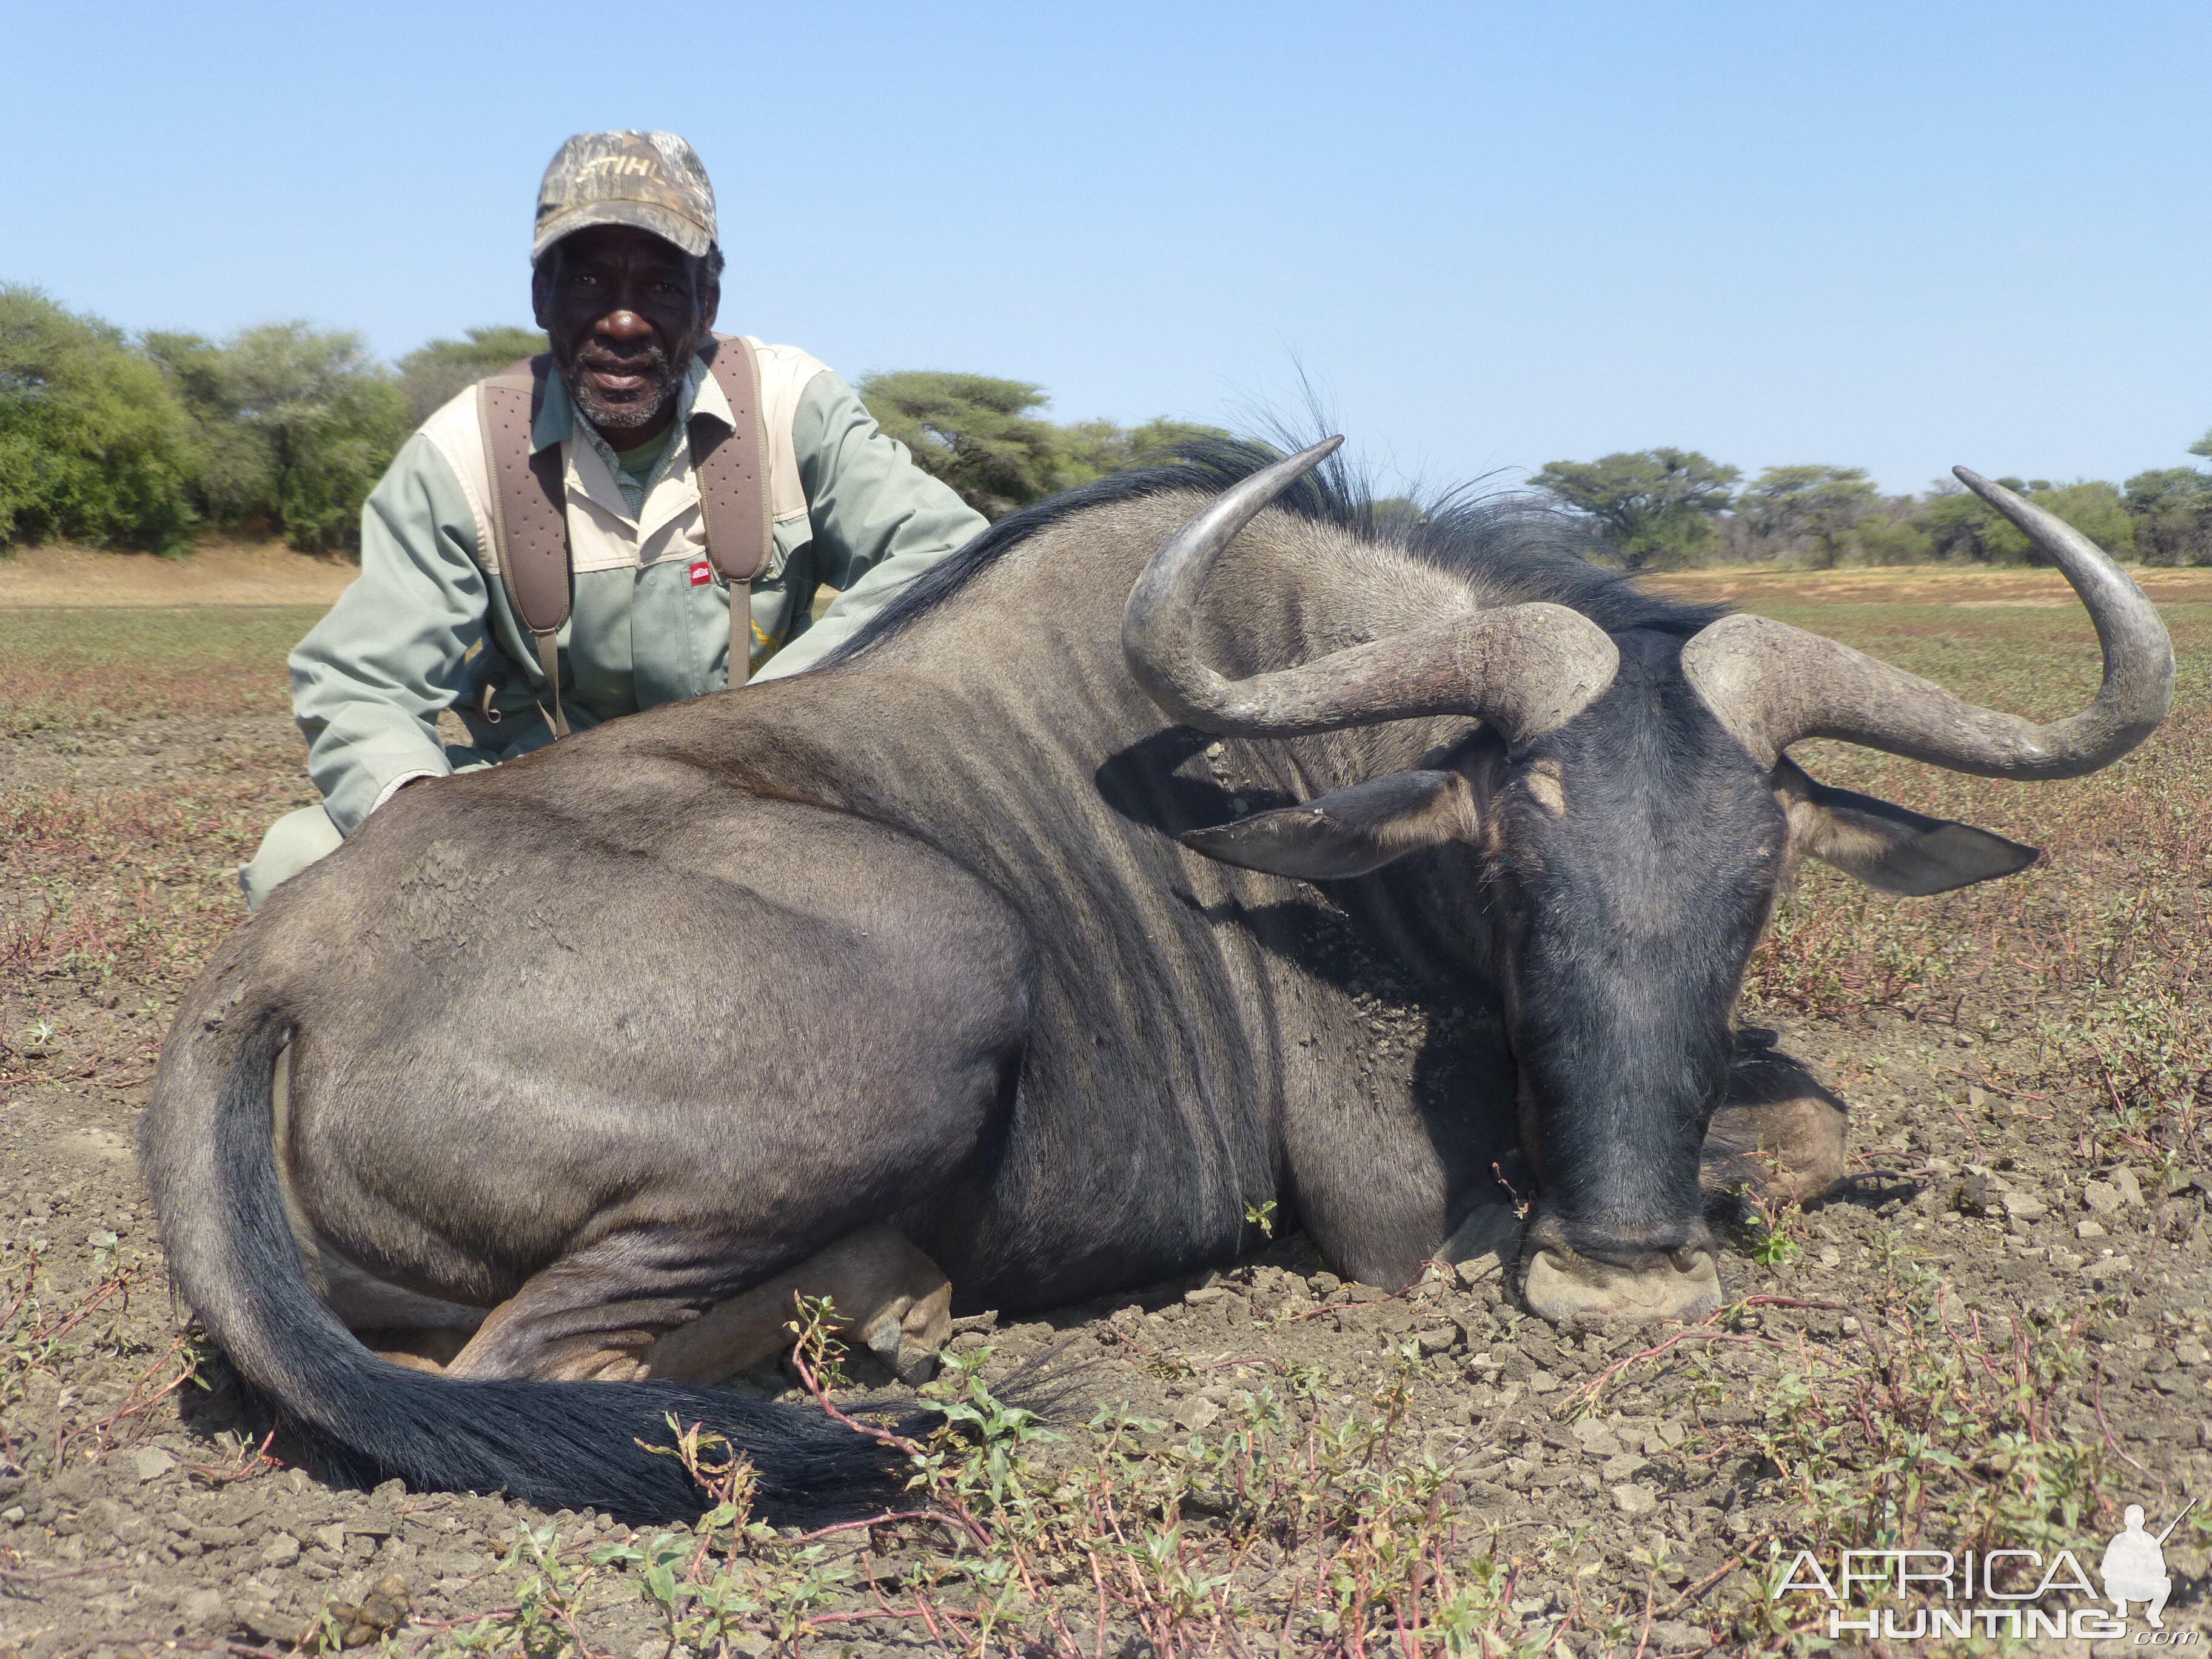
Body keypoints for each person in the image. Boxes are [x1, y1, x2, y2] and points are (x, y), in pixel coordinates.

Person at [240, 130, 987, 908]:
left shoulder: (790, 406)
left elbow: (949, 557)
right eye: (590, 279)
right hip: (540, 814)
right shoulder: (461, 453)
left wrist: (773, 723)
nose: (623, 322)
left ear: (708, 306)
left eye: (662, 287)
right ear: (541, 298)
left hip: (760, 798)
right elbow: (359, 682)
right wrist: (430, 824)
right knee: (299, 858)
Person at [2099, 1504, 2171, 1628]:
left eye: (2139, 1520)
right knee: (2112, 1582)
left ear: (2143, 1521)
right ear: (2126, 1521)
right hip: (2123, 1585)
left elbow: (2161, 1571)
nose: (2136, 1523)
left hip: (2142, 1585)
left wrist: (2148, 1561)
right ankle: (2121, 1608)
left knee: (2166, 1583)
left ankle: (2153, 1614)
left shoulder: (2150, 1542)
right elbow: (2105, 1570)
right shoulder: (2118, 1541)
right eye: (2133, 1520)